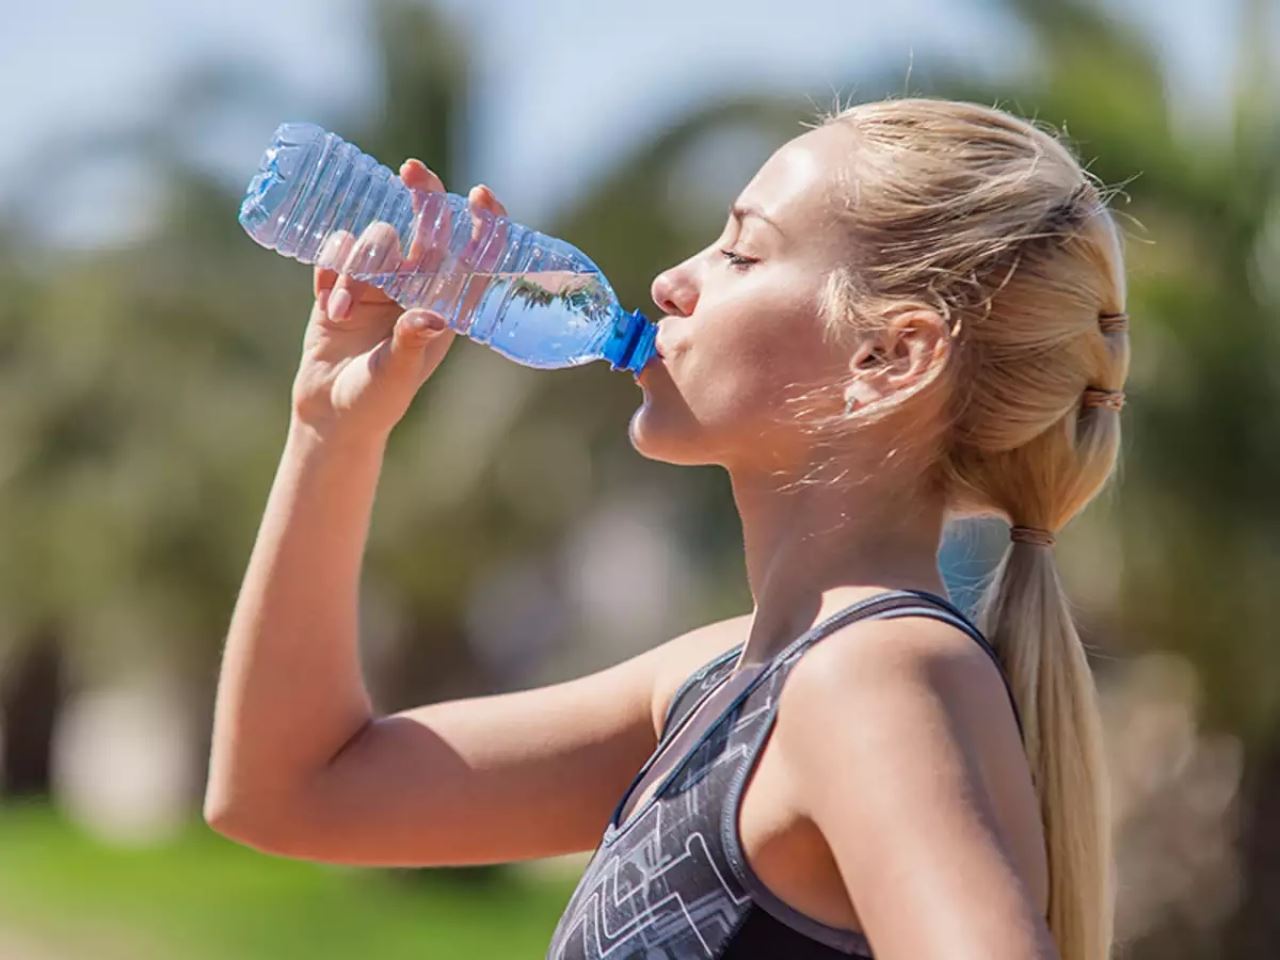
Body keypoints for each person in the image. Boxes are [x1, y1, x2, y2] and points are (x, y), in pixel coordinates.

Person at [204, 97, 1129, 960]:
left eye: (740, 252)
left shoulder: (869, 675)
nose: (669, 281)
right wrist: (331, 429)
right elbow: (291, 792)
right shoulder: (722, 684)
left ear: (888, 356)